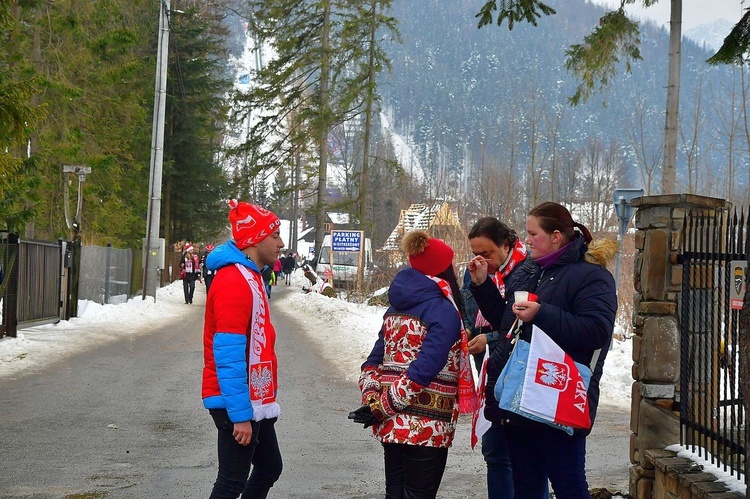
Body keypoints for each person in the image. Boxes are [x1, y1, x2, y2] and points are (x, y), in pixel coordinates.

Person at [470, 202, 617, 499]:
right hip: (519, 399)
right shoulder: (530, 270)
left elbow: (596, 331)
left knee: (569, 486)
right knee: (526, 487)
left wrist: (541, 313)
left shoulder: (592, 276)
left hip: (558, 398)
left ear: (556, 236)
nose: (526, 240)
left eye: (532, 233)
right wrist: (483, 285)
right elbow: (506, 320)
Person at [350, 230, 476, 499]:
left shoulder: (395, 306)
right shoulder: (444, 311)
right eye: (451, 263)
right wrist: (381, 407)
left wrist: (373, 399)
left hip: (392, 425)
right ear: (443, 270)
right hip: (426, 428)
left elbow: (373, 362)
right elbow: (423, 371)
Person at [202, 199, 285, 499]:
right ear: (254, 239)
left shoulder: (250, 277)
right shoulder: (234, 281)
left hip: (252, 398)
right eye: (274, 236)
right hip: (235, 401)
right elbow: (228, 354)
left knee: (269, 467)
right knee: (231, 482)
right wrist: (240, 415)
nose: (281, 243)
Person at [463, 217, 534, 499]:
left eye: (486, 253)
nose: (480, 260)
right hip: (491, 370)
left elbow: (520, 329)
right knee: (494, 450)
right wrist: (469, 329)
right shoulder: (476, 272)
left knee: (526, 458)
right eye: (475, 253)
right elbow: (473, 312)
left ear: (506, 244)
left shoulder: (527, 271)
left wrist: (489, 340)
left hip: (519, 373)